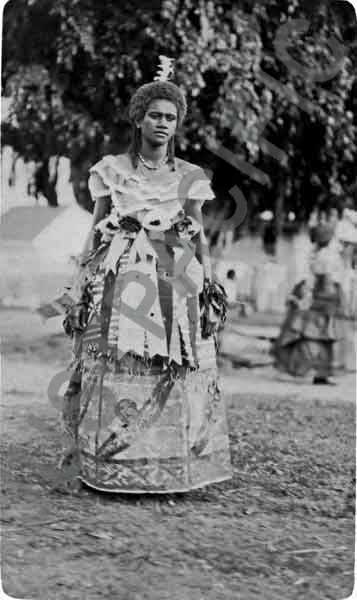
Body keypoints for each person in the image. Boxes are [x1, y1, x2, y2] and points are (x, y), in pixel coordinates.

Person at [61, 57, 232, 493]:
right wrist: (81, 281)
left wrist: (208, 283)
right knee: (119, 357)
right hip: (123, 273)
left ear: (178, 125)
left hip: (175, 275)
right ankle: (110, 464)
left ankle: (171, 467)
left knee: (176, 358)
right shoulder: (112, 171)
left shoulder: (190, 176)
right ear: (138, 119)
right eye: (155, 115)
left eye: (171, 118)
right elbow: (95, 228)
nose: (163, 124)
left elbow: (199, 235)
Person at [272, 223, 344, 385]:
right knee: (316, 338)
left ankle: (320, 373)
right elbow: (320, 280)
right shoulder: (323, 256)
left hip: (326, 299)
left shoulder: (323, 254)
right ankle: (309, 371)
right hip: (322, 300)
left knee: (322, 338)